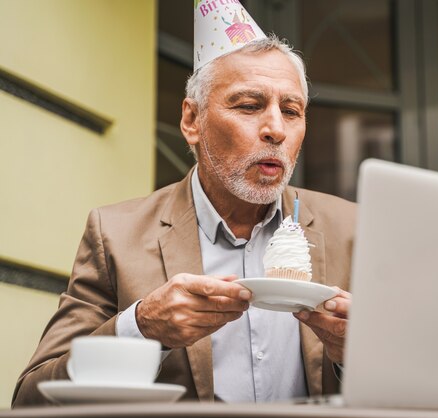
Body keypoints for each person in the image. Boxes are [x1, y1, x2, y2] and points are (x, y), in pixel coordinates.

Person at [12, 4, 356, 407]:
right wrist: (142, 328)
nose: (276, 129)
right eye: (248, 105)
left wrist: (359, 356)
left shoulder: (352, 229)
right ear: (192, 120)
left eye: (291, 111)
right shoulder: (116, 234)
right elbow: (31, 399)